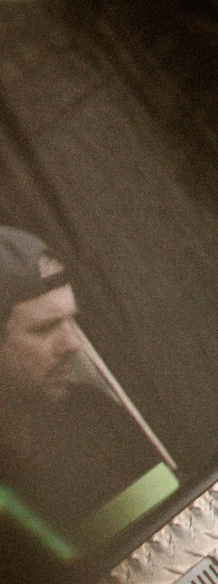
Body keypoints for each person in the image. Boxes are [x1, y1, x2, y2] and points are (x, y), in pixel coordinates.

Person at [0, 230, 174, 571]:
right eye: (44, 328)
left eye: (71, 321)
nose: (72, 344)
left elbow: (173, 547)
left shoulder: (92, 417)